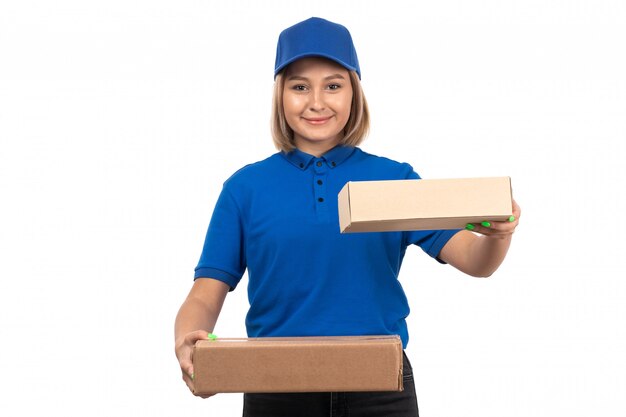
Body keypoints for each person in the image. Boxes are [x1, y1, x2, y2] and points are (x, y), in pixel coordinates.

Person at [175, 17, 521, 417]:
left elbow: (476, 262)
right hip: (274, 383)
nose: (316, 101)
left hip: (380, 385)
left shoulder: (394, 180)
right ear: (280, 95)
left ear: (354, 93)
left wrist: (498, 235)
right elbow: (205, 292)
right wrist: (186, 339)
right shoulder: (245, 188)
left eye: (334, 85)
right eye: (299, 86)